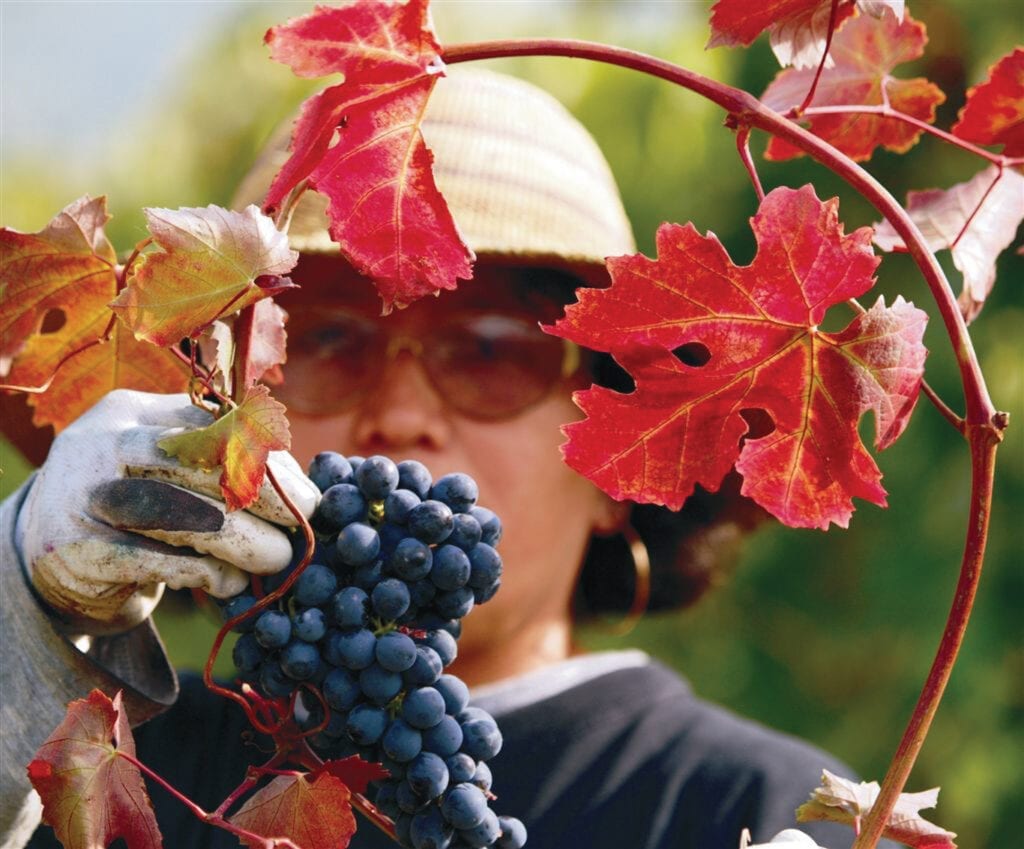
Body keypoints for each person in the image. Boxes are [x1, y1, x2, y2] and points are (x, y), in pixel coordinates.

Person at [1, 68, 882, 849]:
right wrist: (23, 607)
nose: (400, 413)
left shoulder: (766, 812)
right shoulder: (98, 767)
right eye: (330, 343)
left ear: (621, 459)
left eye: (491, 353)